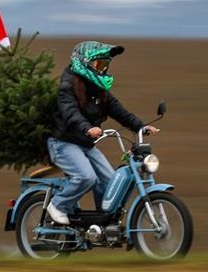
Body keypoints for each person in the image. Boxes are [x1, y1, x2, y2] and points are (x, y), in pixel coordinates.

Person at [46, 41, 158, 225]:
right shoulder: (67, 87)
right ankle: (57, 205)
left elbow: (118, 110)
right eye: (98, 64)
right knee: (86, 177)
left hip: (85, 144)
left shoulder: (99, 90)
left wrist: (140, 126)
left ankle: (101, 223)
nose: (102, 69)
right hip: (63, 143)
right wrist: (87, 128)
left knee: (110, 181)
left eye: (105, 65)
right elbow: (70, 112)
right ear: (82, 63)